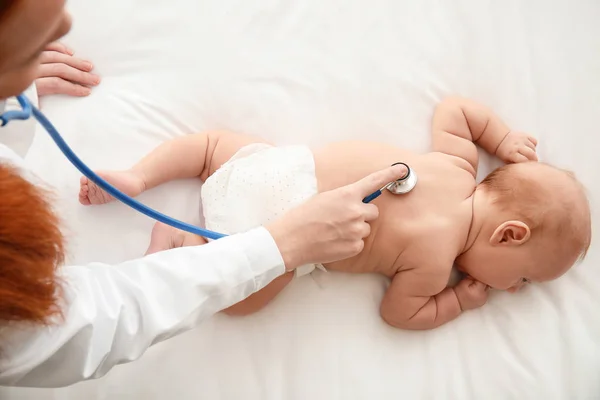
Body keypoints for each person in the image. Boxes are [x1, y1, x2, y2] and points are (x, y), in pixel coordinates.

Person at [0, 0, 410, 387]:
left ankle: (175, 233)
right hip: (287, 205)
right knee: (211, 151)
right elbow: (72, 330)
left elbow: (404, 309)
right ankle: (141, 181)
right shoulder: (457, 172)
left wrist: (12, 66)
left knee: (213, 157)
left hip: (281, 211)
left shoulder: (439, 256)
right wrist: (283, 245)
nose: (67, 24)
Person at [82, 97, 591, 329]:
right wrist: (457, 302)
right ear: (508, 234)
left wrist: (500, 140)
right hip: (275, 240)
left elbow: (454, 109)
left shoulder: (458, 164)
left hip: (280, 168)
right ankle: (177, 243)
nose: (514, 290)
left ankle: (141, 177)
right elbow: (399, 314)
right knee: (239, 302)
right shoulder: (435, 267)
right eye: (523, 277)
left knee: (214, 145)